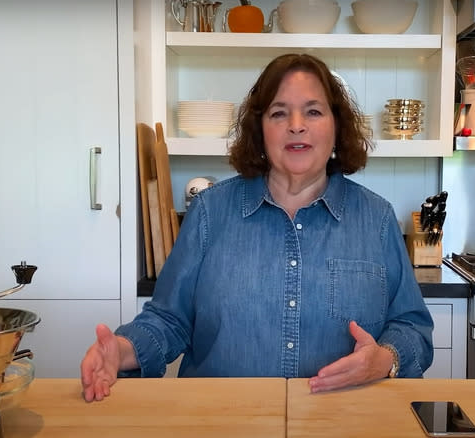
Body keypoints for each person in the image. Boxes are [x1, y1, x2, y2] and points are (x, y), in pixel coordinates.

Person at [81, 53, 434, 402]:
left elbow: (412, 328)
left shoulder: (377, 219)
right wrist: (122, 351)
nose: (297, 125)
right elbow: (168, 321)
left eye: (313, 111)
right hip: (220, 423)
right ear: (259, 129)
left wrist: (386, 359)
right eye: (279, 113)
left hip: (343, 425)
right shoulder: (209, 212)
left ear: (336, 125)